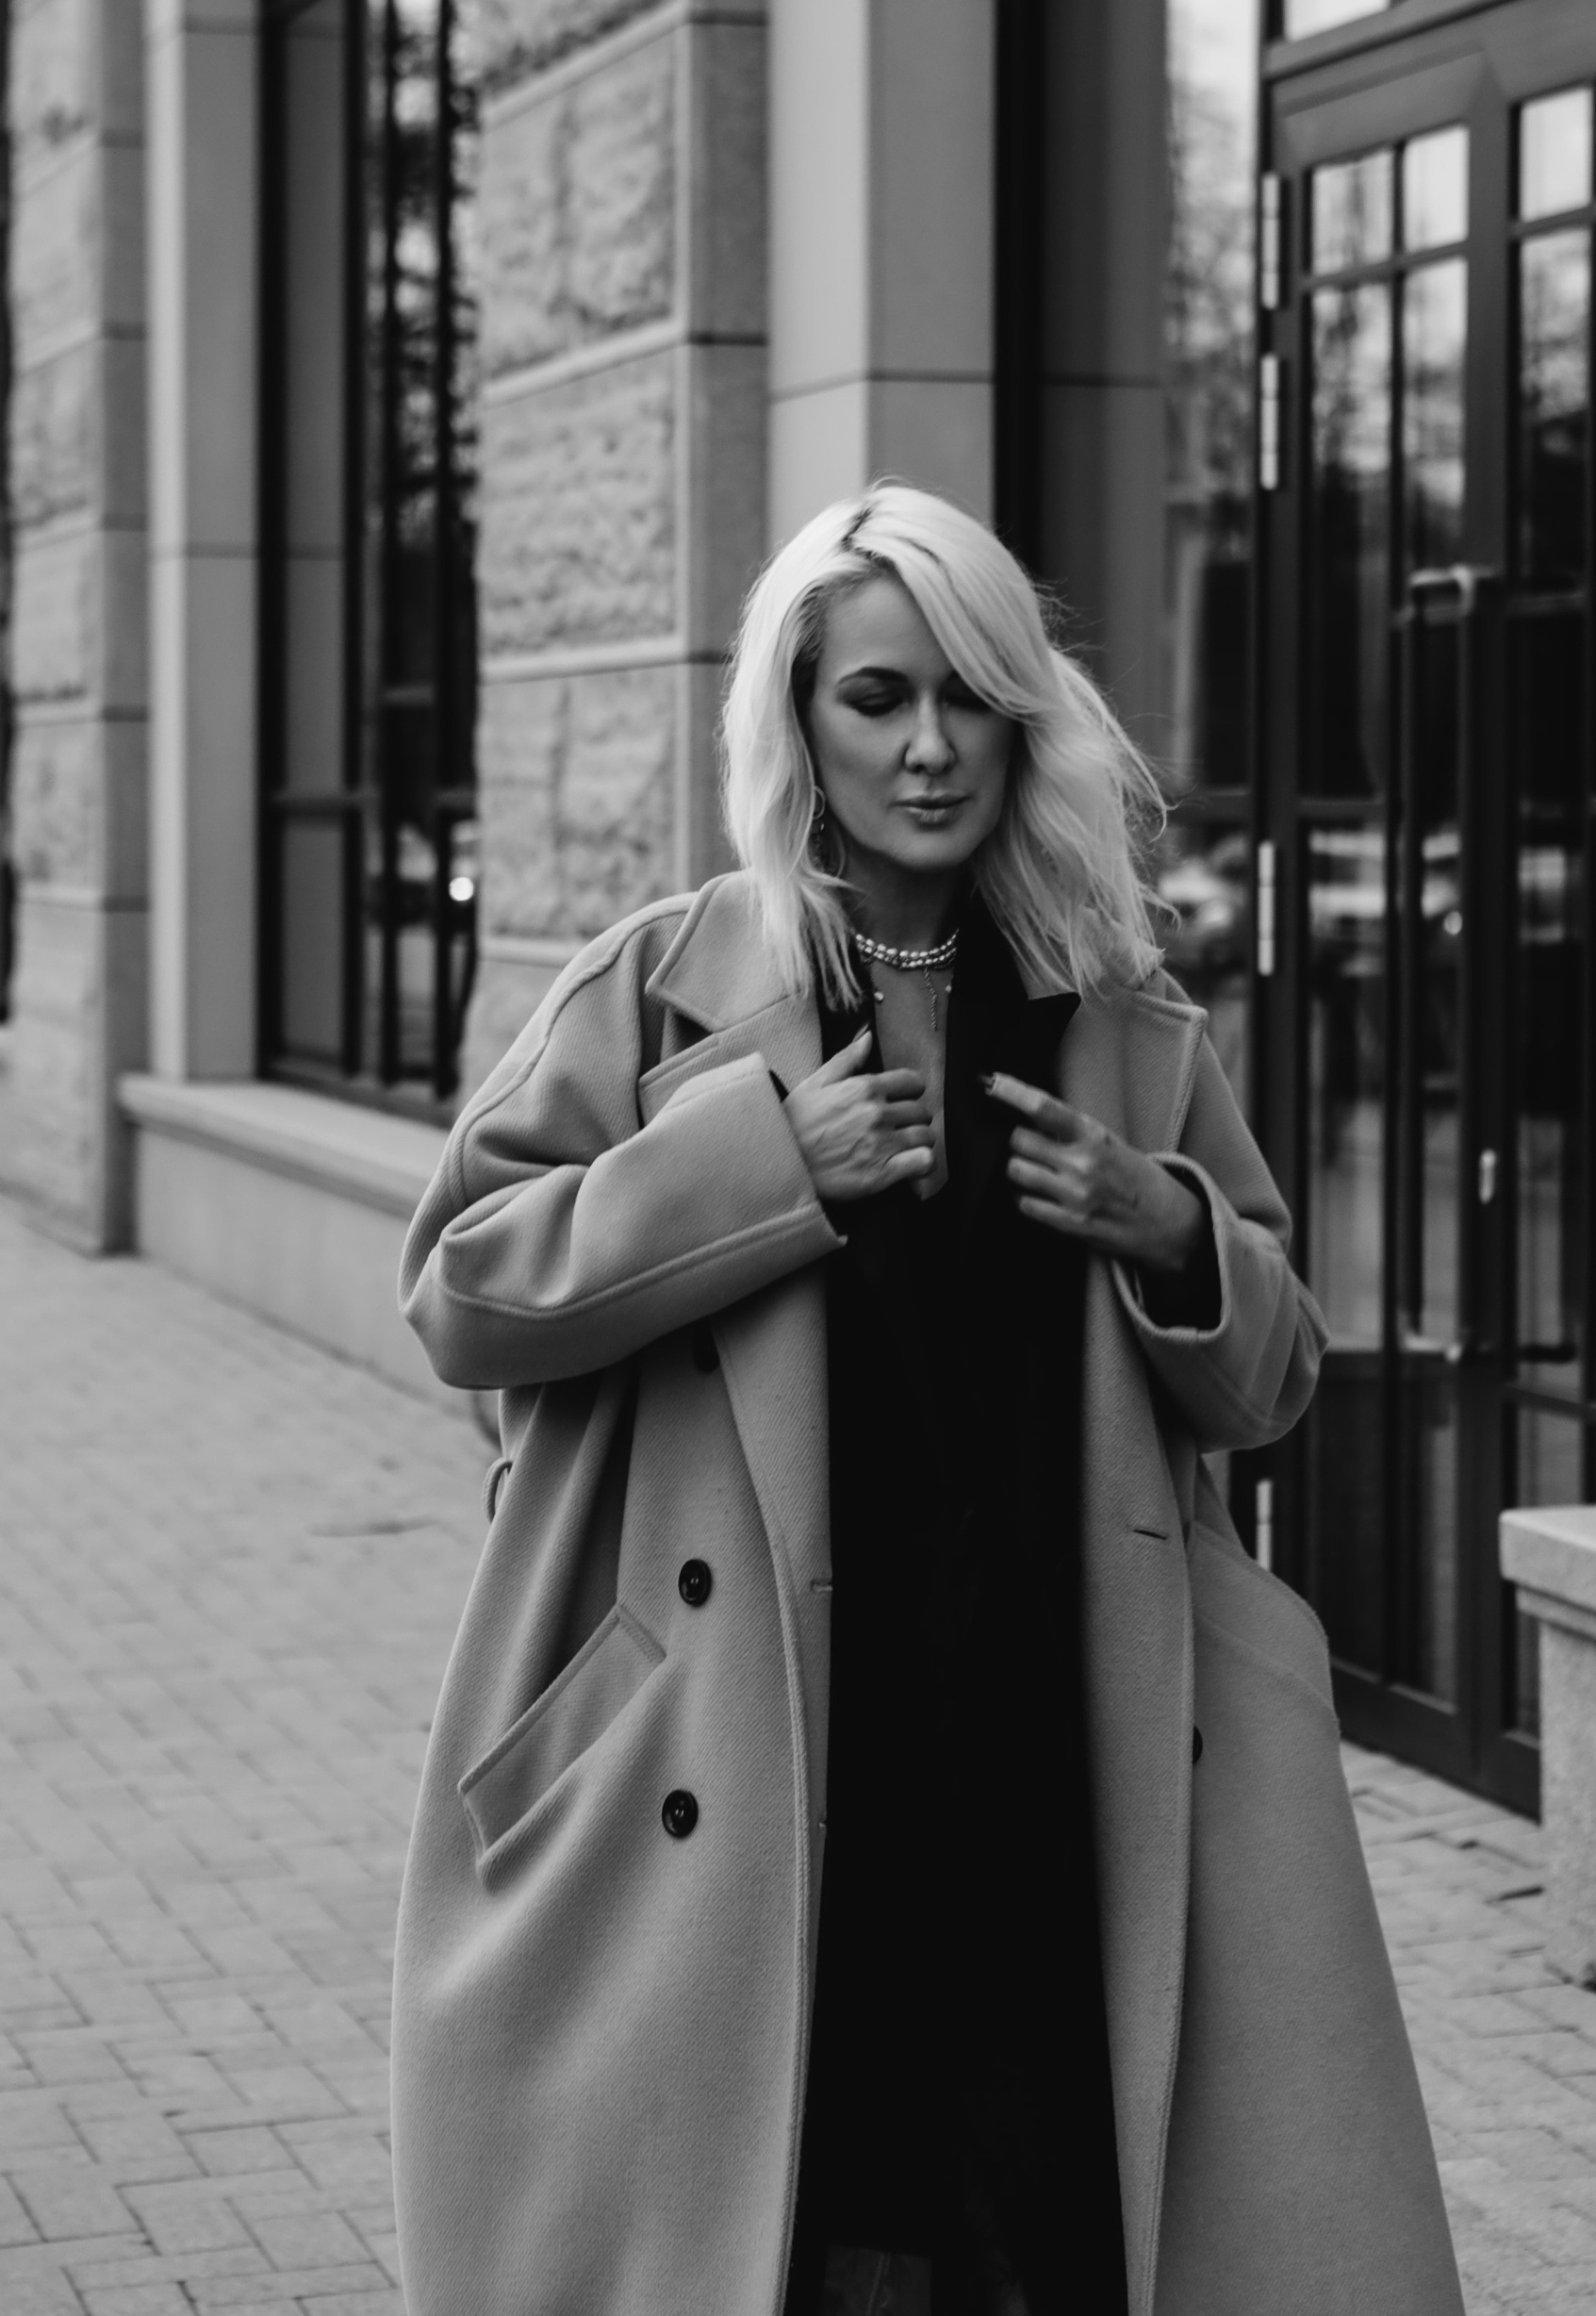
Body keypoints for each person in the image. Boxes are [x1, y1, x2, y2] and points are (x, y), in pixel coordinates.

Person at [391, 485, 1467, 2316]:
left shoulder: (1117, 1015)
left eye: (970, 695)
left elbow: (1275, 1375)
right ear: (798, 721)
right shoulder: (662, 987)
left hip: (1046, 1736)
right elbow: (461, 1292)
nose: (931, 745)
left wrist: (1170, 1226)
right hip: (746, 1740)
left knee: (1042, 2216)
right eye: (879, 697)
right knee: (803, 2219)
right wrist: (755, 1168)